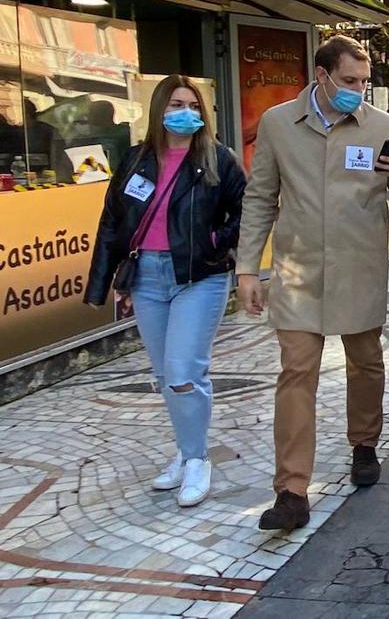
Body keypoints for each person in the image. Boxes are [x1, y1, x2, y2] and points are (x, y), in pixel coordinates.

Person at [236, 35, 389, 532]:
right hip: (298, 274)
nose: (359, 89)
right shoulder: (277, 124)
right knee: (295, 375)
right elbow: (259, 198)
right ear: (322, 75)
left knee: (365, 362)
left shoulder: (383, 126)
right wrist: (248, 268)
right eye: (350, 80)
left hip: (359, 268)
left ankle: (364, 443)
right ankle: (291, 490)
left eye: (364, 81)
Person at [85, 75, 245, 507]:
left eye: (194, 106)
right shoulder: (137, 159)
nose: (186, 113)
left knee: (183, 374)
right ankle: (186, 450)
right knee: (164, 376)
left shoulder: (218, 159)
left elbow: (246, 211)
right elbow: (113, 222)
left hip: (199, 277)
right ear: (159, 108)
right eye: (176, 103)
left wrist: (214, 242)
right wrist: (103, 283)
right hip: (148, 276)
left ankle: (197, 461)